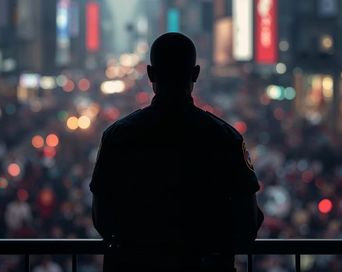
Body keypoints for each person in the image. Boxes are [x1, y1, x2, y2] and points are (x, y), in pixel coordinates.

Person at [90, 32, 263, 272]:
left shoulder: (118, 136)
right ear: (195, 74)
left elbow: (102, 219)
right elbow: (248, 224)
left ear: (150, 74)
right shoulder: (225, 138)